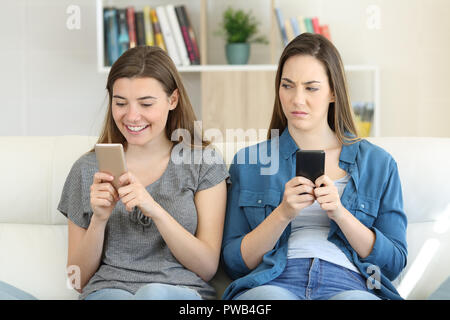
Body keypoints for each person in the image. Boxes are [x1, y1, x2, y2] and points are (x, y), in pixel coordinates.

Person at [221, 33, 407, 300]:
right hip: (274, 281)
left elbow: (393, 264)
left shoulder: (379, 164)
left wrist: (340, 213)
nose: (297, 99)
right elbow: (234, 263)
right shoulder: (249, 162)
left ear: (333, 92)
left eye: (311, 88)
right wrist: (283, 213)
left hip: (351, 282)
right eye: (288, 86)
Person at [58, 46, 229, 300]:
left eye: (146, 103)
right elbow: (77, 280)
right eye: (120, 103)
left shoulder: (203, 162)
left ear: (172, 100)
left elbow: (206, 267)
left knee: (153, 295)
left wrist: (154, 209)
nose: (132, 116)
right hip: (108, 292)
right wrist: (99, 219)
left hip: (179, 293)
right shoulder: (87, 169)